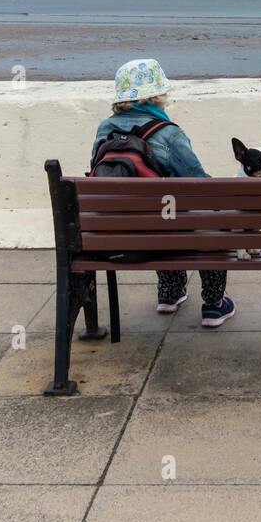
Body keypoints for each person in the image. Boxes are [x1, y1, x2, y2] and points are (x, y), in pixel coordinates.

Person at [92, 58, 236, 327]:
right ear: (157, 95)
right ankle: (214, 304)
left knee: (157, 213)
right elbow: (200, 186)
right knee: (207, 216)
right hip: (161, 237)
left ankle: (170, 293)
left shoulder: (105, 129)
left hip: (113, 239)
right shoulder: (169, 133)